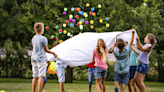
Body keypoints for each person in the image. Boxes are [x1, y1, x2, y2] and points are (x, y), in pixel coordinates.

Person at [31, 22, 57, 92]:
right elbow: (46, 50)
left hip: (33, 58)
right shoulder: (43, 38)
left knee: (35, 76)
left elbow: (34, 47)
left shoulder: (33, 38)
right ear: (42, 29)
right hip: (41, 59)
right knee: (41, 76)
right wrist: (53, 53)